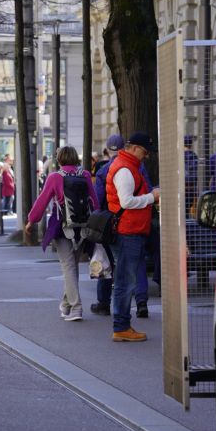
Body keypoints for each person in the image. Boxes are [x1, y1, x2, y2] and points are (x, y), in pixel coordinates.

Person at [25, 146, 98, 322]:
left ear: (59, 160)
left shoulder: (55, 177)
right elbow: (94, 202)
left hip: (62, 227)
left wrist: (31, 221)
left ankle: (76, 307)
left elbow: (41, 202)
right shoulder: (86, 175)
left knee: (68, 267)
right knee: (72, 267)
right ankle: (66, 305)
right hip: (83, 228)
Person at [107, 132, 160, 342]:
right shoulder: (126, 170)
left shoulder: (126, 166)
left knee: (124, 280)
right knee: (125, 281)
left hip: (130, 230)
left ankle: (122, 325)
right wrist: (151, 197)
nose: (145, 156)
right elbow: (127, 202)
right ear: (136, 148)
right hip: (128, 231)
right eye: (145, 152)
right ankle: (121, 326)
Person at [91, 134, 125, 316]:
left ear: (107, 150)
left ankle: (104, 303)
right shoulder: (136, 167)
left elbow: (97, 200)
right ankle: (140, 302)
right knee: (129, 263)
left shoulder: (103, 170)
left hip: (107, 223)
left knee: (105, 263)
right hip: (129, 223)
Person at [184, 135, 199, 214]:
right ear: (191, 145)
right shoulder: (194, 156)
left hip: (182, 187)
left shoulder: (179, 156)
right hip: (192, 188)